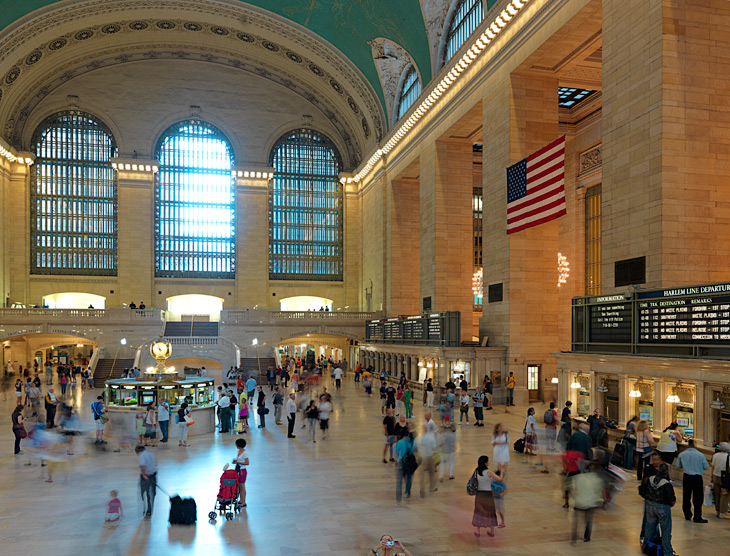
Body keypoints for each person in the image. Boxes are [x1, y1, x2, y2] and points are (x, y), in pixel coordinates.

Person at [640, 463, 676, 556]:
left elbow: (643, 490)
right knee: (666, 531)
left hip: (650, 506)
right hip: (663, 508)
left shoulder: (650, 479)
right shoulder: (666, 484)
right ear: (667, 472)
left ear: (658, 470)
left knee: (649, 529)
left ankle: (645, 547)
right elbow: (671, 498)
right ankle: (667, 552)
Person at [675, 439, 709, 523]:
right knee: (698, 497)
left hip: (686, 477)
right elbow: (706, 466)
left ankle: (687, 514)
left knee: (686, 496)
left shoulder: (682, 454)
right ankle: (697, 516)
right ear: (695, 445)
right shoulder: (700, 455)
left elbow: (677, 465)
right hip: (697, 477)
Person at [570, 465, 606, 544]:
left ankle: (574, 536)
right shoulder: (596, 479)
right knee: (588, 520)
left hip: (579, 502)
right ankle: (586, 537)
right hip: (590, 503)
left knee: (576, 520)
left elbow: (572, 490)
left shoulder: (577, 478)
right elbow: (599, 492)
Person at [471, 455, 500, 537]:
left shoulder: (476, 471)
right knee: (490, 511)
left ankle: (478, 531)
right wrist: (502, 473)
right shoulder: (489, 472)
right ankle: (492, 531)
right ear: (485, 463)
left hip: (480, 494)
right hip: (488, 494)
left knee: (479, 512)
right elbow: (499, 479)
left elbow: (472, 480)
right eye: (488, 460)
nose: (489, 462)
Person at [394, 429, 416, 503]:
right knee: (409, 477)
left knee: (403, 476)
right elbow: (412, 452)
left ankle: (400, 492)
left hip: (401, 463)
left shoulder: (398, 443)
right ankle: (407, 491)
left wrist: (396, 461)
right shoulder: (408, 444)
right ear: (407, 436)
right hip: (407, 462)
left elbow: (396, 453)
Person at [136, 445, 157, 519]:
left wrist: (144, 475)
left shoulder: (141, 456)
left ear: (139, 451)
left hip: (146, 477)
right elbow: (156, 464)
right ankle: (150, 510)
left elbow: (143, 466)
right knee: (152, 494)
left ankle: (146, 510)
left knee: (145, 494)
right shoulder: (152, 454)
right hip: (153, 475)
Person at [710, 442, 730, 519]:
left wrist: (711, 477)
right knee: (725, 494)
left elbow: (712, 467)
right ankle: (723, 512)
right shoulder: (728, 457)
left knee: (717, 494)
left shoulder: (715, 456)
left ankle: (717, 510)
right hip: (725, 478)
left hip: (715, 476)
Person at [416, 428, 438, 497]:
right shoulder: (431, 438)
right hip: (429, 457)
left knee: (421, 475)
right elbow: (434, 448)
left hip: (421, 457)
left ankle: (422, 490)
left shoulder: (419, 438)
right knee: (431, 473)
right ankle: (431, 488)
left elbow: (415, 447)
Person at [233, 438, 249, 506]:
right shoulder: (238, 451)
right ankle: (241, 499)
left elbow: (247, 463)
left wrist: (238, 462)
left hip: (242, 470)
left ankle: (244, 501)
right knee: (239, 486)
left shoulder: (245, 453)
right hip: (238, 469)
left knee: (242, 486)